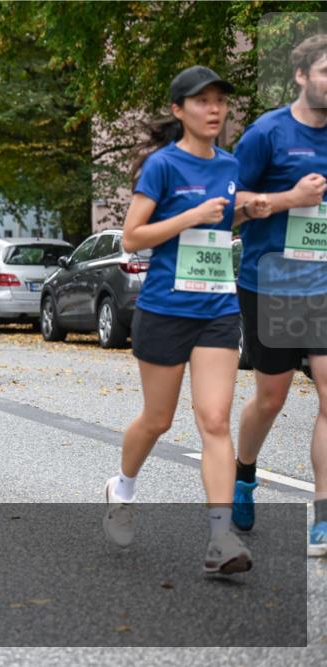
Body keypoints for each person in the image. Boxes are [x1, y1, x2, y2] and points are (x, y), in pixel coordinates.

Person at [101, 66, 271, 574]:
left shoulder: (231, 165)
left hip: (217, 308)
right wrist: (188, 218)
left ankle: (221, 539)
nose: (214, 109)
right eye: (202, 101)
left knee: (215, 421)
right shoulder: (162, 166)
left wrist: (247, 211)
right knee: (158, 419)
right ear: (179, 111)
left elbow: (222, 219)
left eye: (220, 100)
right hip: (165, 309)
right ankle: (122, 487)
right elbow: (132, 237)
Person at [230, 34, 327, 556]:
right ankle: (244, 473)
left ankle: (323, 518)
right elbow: (230, 207)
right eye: (326, 71)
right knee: (271, 398)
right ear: (300, 76)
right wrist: (291, 198)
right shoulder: (266, 134)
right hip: (271, 283)